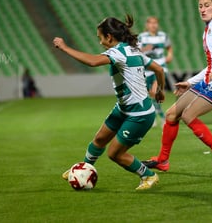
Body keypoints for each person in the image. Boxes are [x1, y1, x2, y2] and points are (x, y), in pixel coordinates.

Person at [53, 14, 165, 190]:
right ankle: (83, 169)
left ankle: (149, 175)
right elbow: (159, 69)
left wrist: (64, 47)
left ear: (109, 36)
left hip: (139, 114)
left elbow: (92, 61)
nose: (100, 42)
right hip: (124, 108)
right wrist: (159, 91)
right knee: (99, 139)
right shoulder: (133, 50)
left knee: (115, 154)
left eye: (100, 38)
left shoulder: (118, 52)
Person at [143, 0, 212, 174]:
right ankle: (163, 160)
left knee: (188, 116)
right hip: (209, 80)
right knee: (171, 114)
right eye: (200, 6)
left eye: (207, 5)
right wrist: (190, 82)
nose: (202, 9)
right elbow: (211, 66)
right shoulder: (208, 30)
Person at [138, 17, 173, 127]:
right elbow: (137, 51)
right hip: (147, 69)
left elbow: (169, 47)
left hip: (160, 67)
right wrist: (146, 49)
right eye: (151, 23)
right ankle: (153, 117)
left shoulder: (163, 35)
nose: (153, 25)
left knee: (154, 92)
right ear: (147, 25)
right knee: (150, 95)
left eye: (155, 23)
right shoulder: (141, 37)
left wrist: (170, 55)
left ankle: (163, 118)